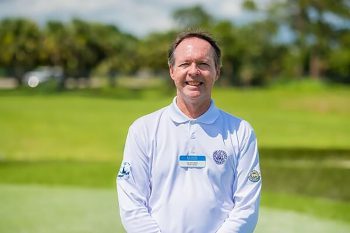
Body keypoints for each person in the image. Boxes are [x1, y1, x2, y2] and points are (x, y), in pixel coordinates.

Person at [117, 30, 261, 233]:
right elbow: (131, 202)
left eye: (203, 64)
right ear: (172, 71)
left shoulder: (241, 131)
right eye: (185, 64)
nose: (194, 72)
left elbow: (247, 207)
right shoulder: (143, 130)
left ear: (217, 71)